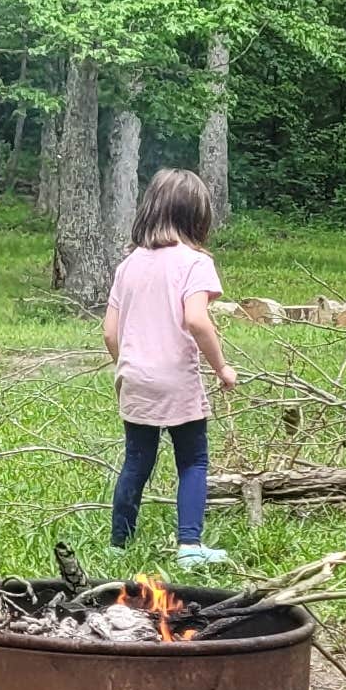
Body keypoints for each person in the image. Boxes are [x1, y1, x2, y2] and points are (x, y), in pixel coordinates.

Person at [101, 166, 237, 563]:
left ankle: (117, 545)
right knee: (192, 460)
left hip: (135, 377)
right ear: (197, 215)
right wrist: (222, 368)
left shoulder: (128, 265)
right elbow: (196, 320)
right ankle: (190, 547)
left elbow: (110, 332)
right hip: (176, 378)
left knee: (136, 461)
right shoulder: (195, 263)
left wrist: (127, 365)